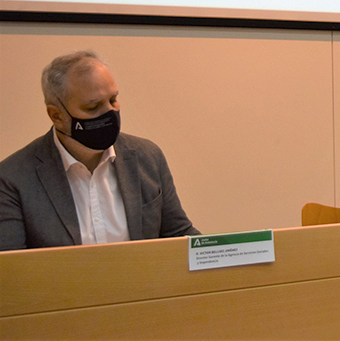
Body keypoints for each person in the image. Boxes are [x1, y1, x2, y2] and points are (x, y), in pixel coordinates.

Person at [0, 51, 199, 251]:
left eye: (113, 101)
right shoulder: (13, 178)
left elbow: (179, 236)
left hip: (142, 282)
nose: (109, 113)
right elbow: (12, 271)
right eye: (93, 107)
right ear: (57, 115)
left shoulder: (147, 157)